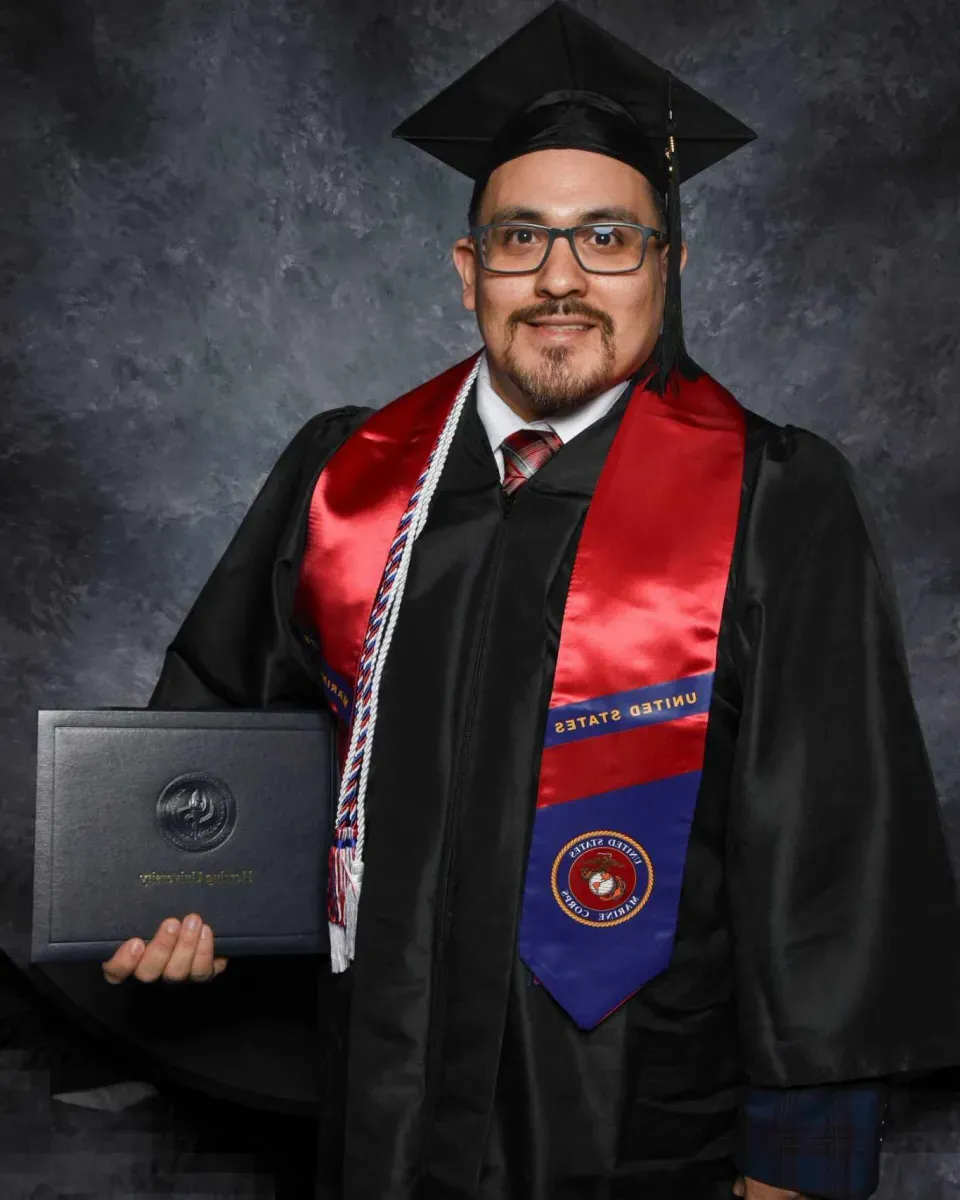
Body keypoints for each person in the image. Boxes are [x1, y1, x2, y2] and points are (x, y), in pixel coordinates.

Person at [100, 5, 960, 1198]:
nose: (561, 278)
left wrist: (798, 1163)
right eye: (521, 240)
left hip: (642, 1117)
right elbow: (224, 720)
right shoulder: (346, 476)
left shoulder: (771, 495)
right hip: (379, 1101)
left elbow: (833, 852)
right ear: (469, 272)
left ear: (669, 266)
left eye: (608, 237)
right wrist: (176, 891)